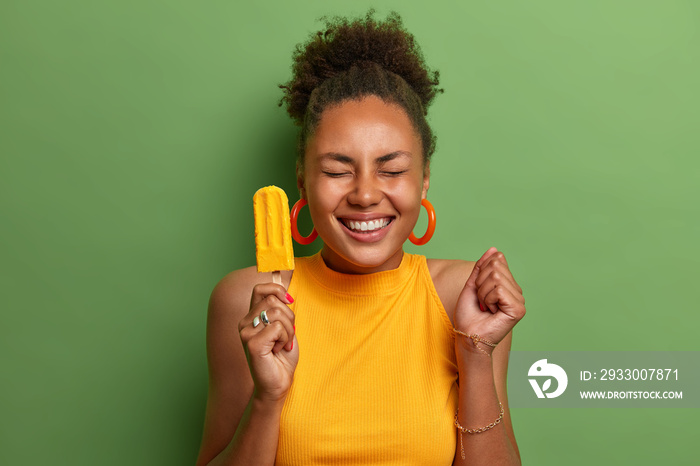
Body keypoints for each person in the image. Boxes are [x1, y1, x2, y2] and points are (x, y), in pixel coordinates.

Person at [196, 11, 526, 466]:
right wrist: (267, 399)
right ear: (303, 180)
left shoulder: (464, 298)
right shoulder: (246, 303)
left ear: (424, 180)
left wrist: (475, 352)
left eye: (391, 170)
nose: (366, 194)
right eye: (336, 171)